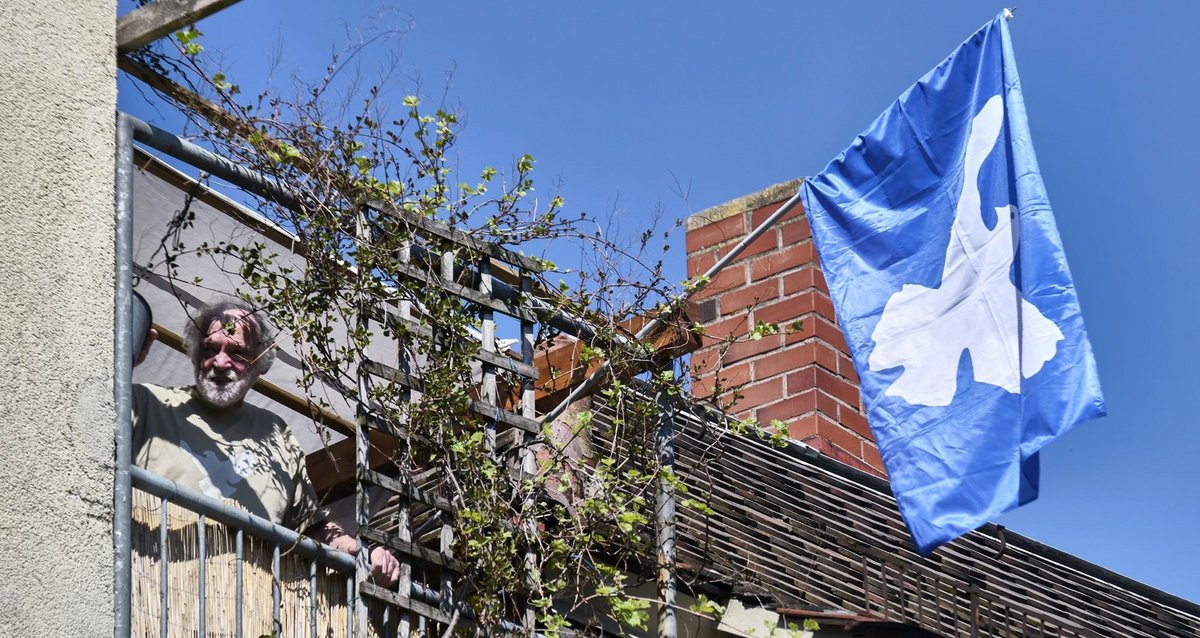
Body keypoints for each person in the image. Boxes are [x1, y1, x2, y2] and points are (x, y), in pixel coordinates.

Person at [132, 299, 400, 586]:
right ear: (196, 355)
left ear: (260, 362)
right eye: (210, 349)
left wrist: (356, 551)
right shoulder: (146, 404)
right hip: (153, 597)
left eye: (237, 352)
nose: (220, 363)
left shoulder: (276, 433)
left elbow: (309, 526)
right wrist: (122, 361)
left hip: (243, 612)